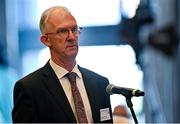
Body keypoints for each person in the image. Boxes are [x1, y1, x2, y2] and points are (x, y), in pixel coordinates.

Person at [12, 6, 113, 123]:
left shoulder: (100, 83)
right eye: (63, 31)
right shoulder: (29, 88)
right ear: (46, 40)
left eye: (74, 29)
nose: (72, 37)